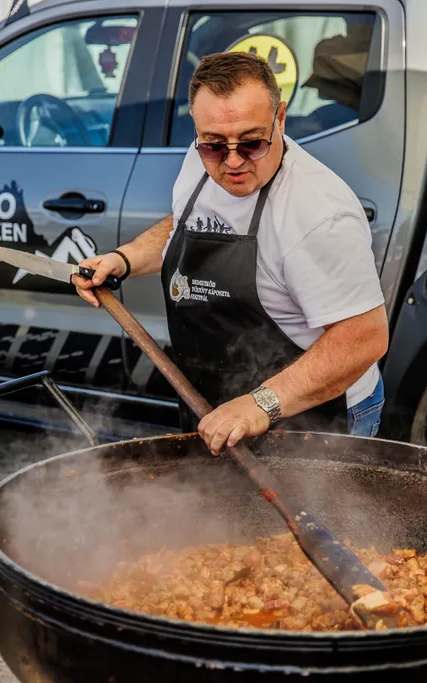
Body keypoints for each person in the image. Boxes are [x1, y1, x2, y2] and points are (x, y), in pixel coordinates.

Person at [75, 51, 389, 455]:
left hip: (313, 413)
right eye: (214, 145)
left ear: (280, 118)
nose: (233, 161)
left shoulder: (319, 216)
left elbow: (364, 338)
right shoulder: (202, 157)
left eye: (252, 142)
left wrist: (262, 403)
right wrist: (125, 258)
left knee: (309, 517)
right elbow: (184, 222)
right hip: (218, 406)